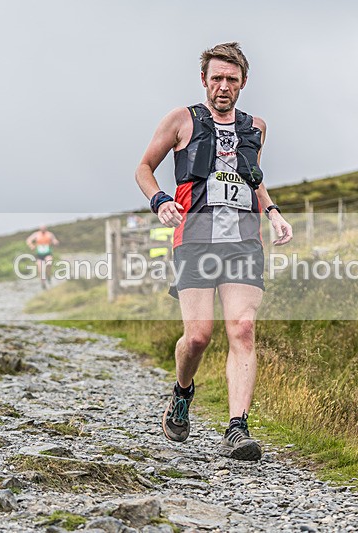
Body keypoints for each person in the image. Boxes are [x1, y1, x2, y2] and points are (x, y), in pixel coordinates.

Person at [135, 42, 293, 461]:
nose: (224, 86)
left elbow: (253, 177)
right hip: (195, 238)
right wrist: (160, 201)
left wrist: (273, 212)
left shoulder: (255, 126)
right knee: (198, 336)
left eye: (232, 79)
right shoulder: (181, 120)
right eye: (217, 78)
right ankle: (182, 391)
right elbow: (143, 168)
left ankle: (237, 427)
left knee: (242, 328)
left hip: (243, 239)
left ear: (243, 82)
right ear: (204, 80)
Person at [26, 225, 60, 289]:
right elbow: (28, 240)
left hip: (48, 254)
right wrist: (31, 245)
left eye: (44, 228)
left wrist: (55, 242)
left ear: (46, 228)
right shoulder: (36, 234)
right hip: (39, 255)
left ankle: (48, 276)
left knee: (49, 264)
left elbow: (54, 240)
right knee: (41, 270)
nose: (43, 229)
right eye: (42, 228)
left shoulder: (49, 234)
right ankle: (43, 283)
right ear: (40, 229)